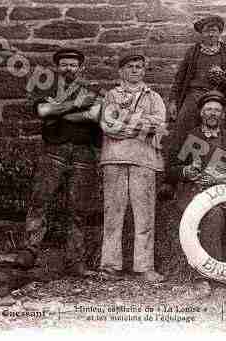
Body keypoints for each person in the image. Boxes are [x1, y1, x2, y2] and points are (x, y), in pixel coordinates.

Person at [0, 48, 101, 275]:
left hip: (84, 154)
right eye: (64, 64)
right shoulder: (45, 87)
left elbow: (93, 116)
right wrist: (75, 105)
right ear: (57, 67)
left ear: (81, 67)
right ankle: (29, 252)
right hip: (54, 150)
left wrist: (59, 110)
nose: (68, 68)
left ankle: (75, 261)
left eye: (73, 65)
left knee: (77, 209)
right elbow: (43, 111)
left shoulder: (91, 90)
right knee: (40, 200)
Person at [167, 90, 226, 294]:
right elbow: (170, 169)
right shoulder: (189, 138)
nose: (212, 113)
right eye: (208, 109)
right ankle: (205, 276)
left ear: (222, 115)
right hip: (196, 195)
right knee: (212, 216)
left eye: (217, 110)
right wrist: (186, 171)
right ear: (201, 113)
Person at [97, 53, 167, 282]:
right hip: (114, 158)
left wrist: (128, 124)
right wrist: (139, 125)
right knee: (113, 213)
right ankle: (110, 264)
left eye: (139, 67)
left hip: (144, 160)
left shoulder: (153, 96)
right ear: (121, 71)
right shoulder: (111, 95)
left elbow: (158, 124)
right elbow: (107, 124)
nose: (135, 70)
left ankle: (144, 266)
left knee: (145, 214)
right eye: (130, 67)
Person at [168, 15, 226, 143]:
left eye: (214, 31)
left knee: (216, 131)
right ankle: (180, 161)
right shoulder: (192, 52)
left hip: (217, 96)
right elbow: (179, 79)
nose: (211, 34)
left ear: (219, 33)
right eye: (207, 31)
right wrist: (173, 101)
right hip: (194, 96)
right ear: (202, 34)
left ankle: (213, 160)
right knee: (182, 126)